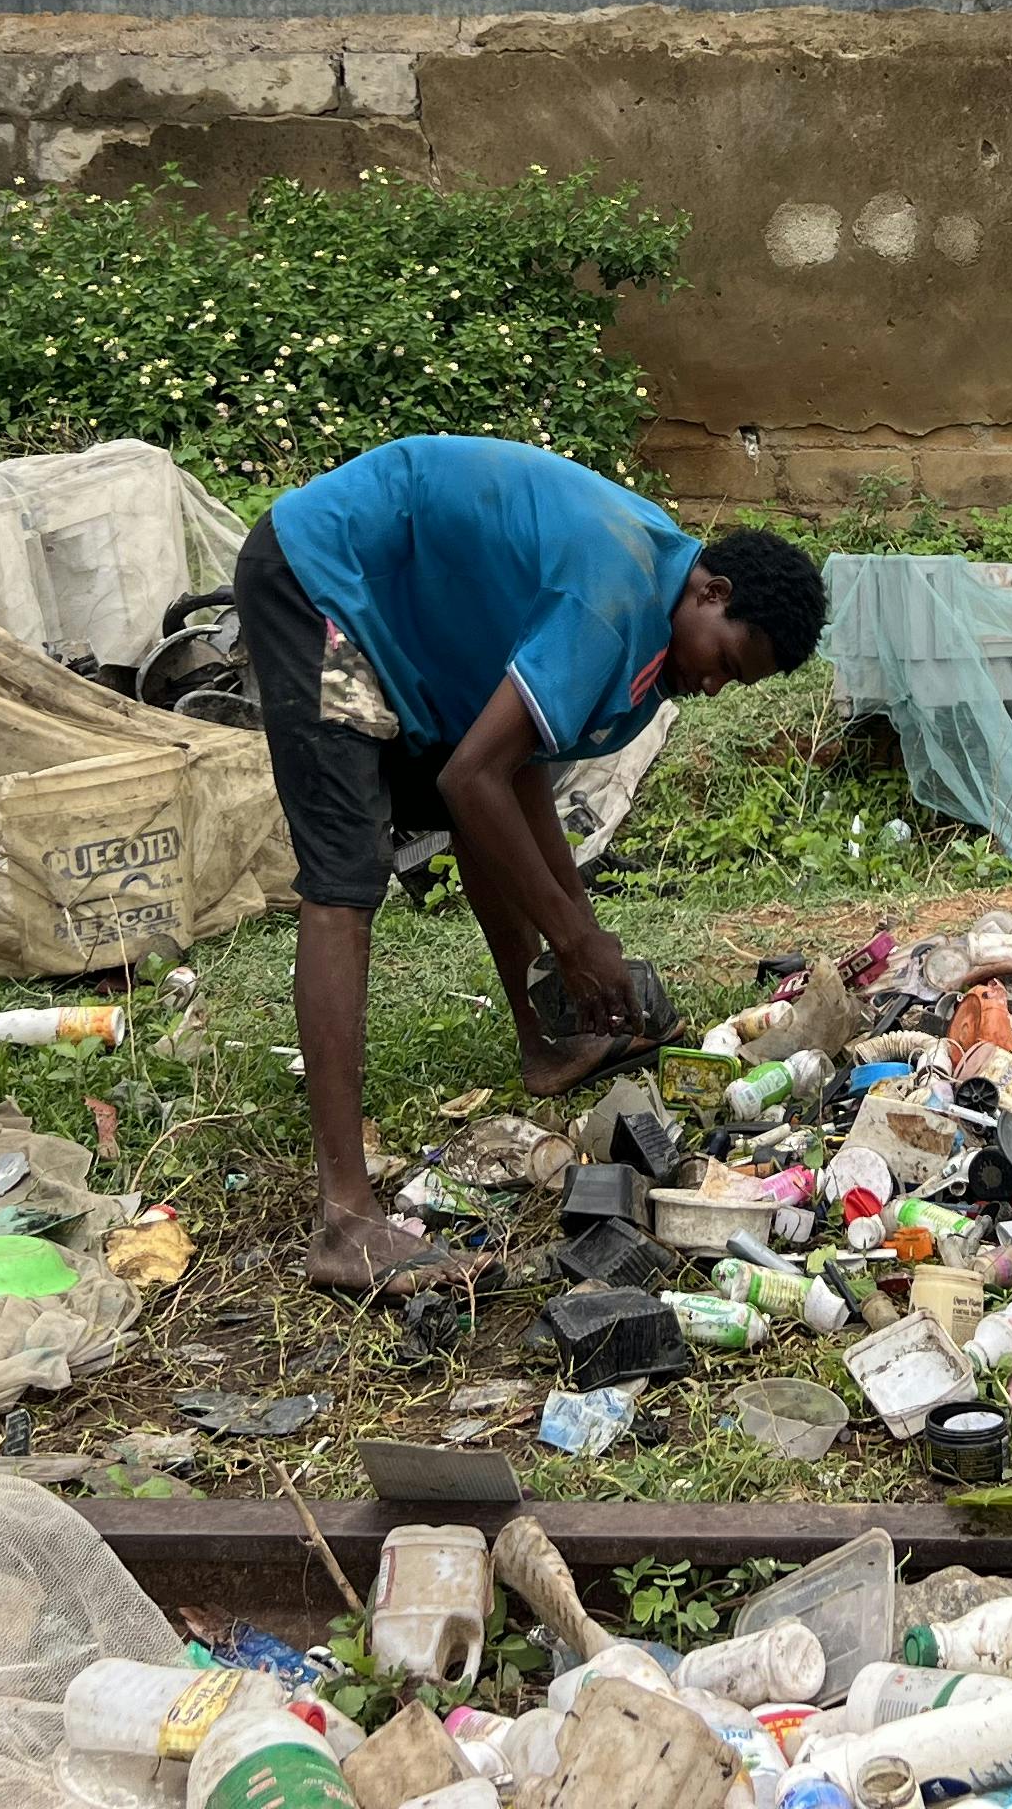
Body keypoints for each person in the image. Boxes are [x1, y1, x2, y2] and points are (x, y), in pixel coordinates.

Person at [237, 433, 828, 1294]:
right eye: (725, 663)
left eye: (735, 686)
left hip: (403, 620)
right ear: (712, 590)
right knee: (345, 881)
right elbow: (469, 777)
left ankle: (544, 1043)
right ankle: (346, 1221)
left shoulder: (652, 589)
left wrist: (584, 936)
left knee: (488, 799)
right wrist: (575, 939)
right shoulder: (616, 599)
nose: (711, 688)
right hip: (325, 585)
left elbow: (521, 776)